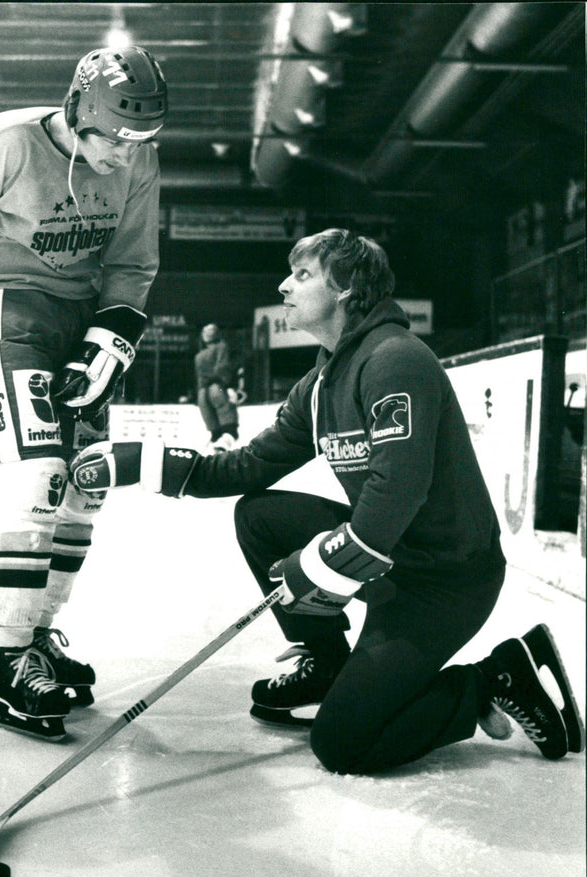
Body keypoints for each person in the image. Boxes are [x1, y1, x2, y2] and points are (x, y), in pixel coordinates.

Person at [70, 228, 585, 773]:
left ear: (346, 288)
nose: (284, 286)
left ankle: (491, 679)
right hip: (393, 560)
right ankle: (327, 663)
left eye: (303, 275)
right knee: (260, 516)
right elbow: (249, 466)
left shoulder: (395, 359)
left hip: (447, 580)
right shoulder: (320, 383)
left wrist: (319, 567)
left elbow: (397, 490)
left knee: (344, 744)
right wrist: (139, 462)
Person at [0, 46, 168, 742]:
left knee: (85, 484)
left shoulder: (135, 160)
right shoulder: (4, 143)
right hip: (1, 305)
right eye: (116, 136)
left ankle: (36, 637)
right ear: (79, 111)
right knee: (39, 472)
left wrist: (111, 337)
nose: (126, 154)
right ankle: (7, 660)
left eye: (144, 140)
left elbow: (133, 262)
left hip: (79, 316)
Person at [194, 322, 240, 452]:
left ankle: (215, 452)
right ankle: (222, 448)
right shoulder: (221, 347)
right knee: (229, 427)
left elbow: (199, 378)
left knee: (215, 431)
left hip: (202, 393)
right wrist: (230, 387)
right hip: (217, 388)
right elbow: (222, 368)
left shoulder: (199, 356)